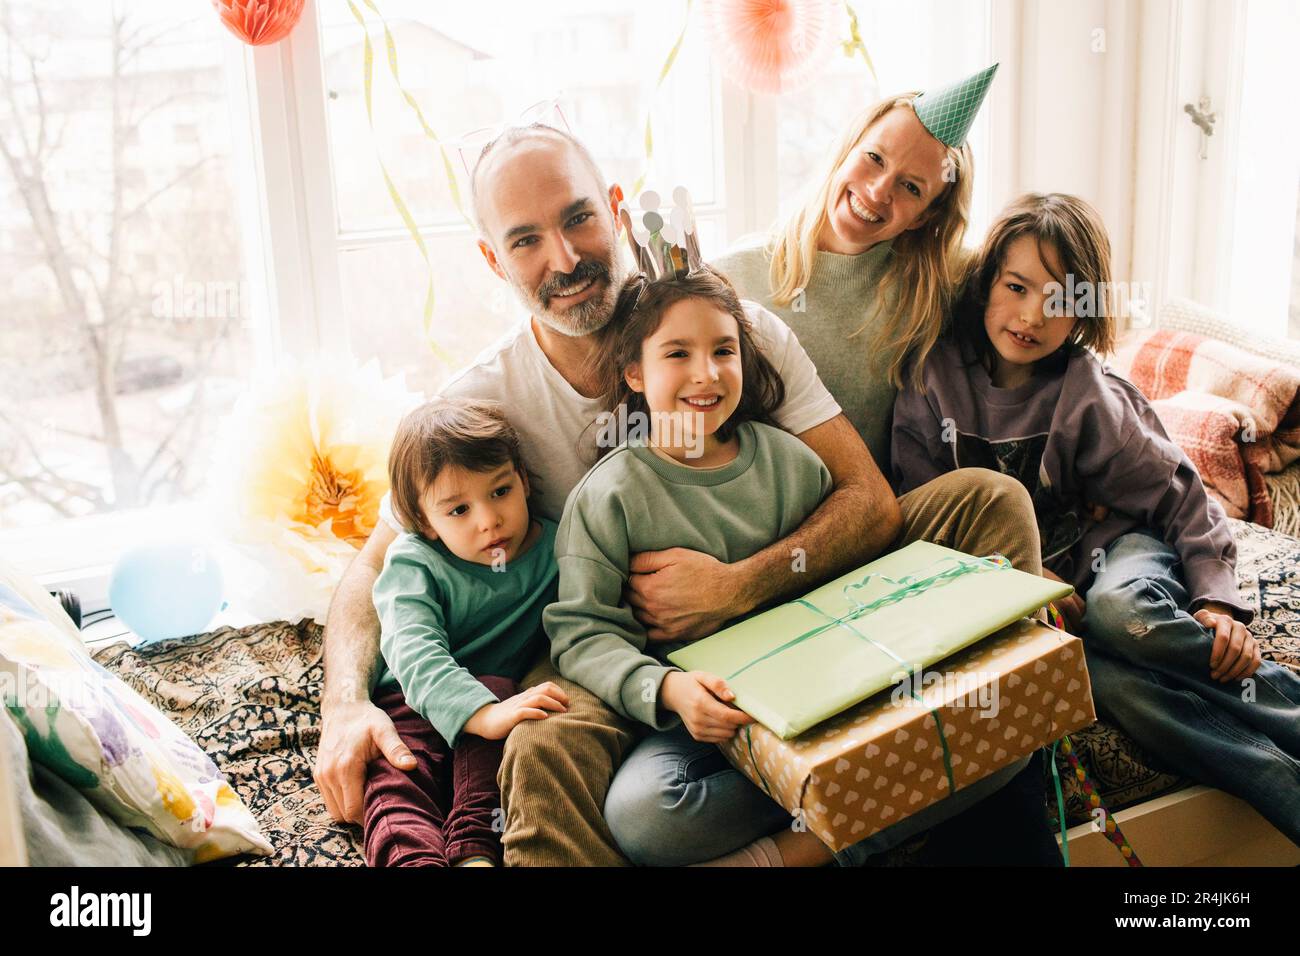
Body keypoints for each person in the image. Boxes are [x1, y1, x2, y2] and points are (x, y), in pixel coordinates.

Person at [316, 113, 1046, 867]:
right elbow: (377, 568)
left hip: (796, 593)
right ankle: (915, 790)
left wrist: (741, 584)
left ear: (617, 207)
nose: (565, 258)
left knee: (986, 502)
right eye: (526, 240)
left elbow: (869, 499)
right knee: (542, 748)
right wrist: (345, 702)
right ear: (492, 260)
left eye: (578, 218)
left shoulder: (737, 330)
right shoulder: (487, 399)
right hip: (634, 647)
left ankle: (984, 740)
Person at [891, 191, 1300, 846]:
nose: (1030, 315)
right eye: (1016, 286)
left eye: (1057, 299)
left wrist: (1217, 606)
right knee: (1106, 685)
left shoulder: (1087, 393)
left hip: (1119, 550)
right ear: (987, 279)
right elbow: (931, 530)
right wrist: (1035, 595)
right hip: (1044, 599)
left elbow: (1182, 498)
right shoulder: (931, 383)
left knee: (1118, 615)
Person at [364, 399, 569, 866]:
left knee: (496, 764)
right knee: (395, 779)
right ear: (422, 521)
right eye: (458, 509)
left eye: (500, 492)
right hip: (411, 701)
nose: (488, 520)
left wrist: (491, 713)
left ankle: (474, 855)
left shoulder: (558, 548)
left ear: (523, 479)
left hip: (498, 700)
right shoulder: (415, 561)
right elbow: (412, 648)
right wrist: (478, 711)